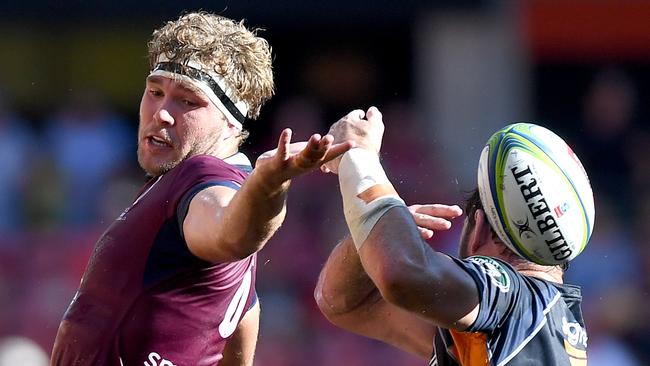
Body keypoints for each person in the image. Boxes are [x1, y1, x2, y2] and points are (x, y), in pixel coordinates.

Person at [51, 12, 351, 366]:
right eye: (155, 91)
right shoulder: (176, 190)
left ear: (230, 121)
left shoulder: (203, 178)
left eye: (188, 101)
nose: (161, 113)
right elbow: (241, 321)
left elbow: (231, 232)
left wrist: (270, 183)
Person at [315, 107, 589, 365]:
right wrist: (383, 230)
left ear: (479, 229)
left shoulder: (510, 301)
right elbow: (341, 302)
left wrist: (359, 158)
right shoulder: (540, 323)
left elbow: (402, 273)